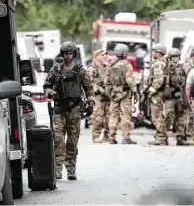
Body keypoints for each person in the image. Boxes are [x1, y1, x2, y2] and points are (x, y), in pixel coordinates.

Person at [43, 41, 95, 180]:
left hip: (75, 109)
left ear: (74, 54)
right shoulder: (55, 70)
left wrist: (91, 102)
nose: (68, 56)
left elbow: (89, 88)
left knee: (72, 139)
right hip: (59, 109)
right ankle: (58, 168)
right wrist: (51, 93)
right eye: (66, 53)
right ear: (62, 54)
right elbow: (46, 86)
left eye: (70, 53)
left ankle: (71, 168)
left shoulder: (80, 70)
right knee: (58, 139)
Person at [104, 43, 138, 144]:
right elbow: (129, 80)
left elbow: (106, 80)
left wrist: (110, 92)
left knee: (113, 115)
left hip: (114, 94)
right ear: (124, 54)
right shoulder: (127, 64)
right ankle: (126, 137)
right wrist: (135, 91)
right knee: (125, 115)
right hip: (125, 94)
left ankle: (111, 137)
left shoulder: (111, 64)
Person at [163, 48, 188, 145]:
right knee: (169, 116)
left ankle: (180, 137)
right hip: (170, 96)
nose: (175, 59)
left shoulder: (182, 68)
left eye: (176, 57)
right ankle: (163, 136)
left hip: (179, 95)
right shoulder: (167, 68)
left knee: (181, 116)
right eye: (173, 57)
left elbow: (186, 82)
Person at [146, 43, 169, 145]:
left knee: (157, 116)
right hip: (162, 93)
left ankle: (160, 138)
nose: (152, 53)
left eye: (153, 51)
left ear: (158, 53)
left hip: (158, 93)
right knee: (159, 115)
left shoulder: (159, 63)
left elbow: (159, 80)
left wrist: (151, 91)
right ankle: (163, 136)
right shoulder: (164, 62)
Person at [87, 49, 110, 143]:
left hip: (108, 96)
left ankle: (107, 135)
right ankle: (96, 135)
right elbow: (89, 83)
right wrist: (100, 90)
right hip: (98, 97)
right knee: (98, 117)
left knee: (109, 117)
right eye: (102, 55)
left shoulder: (106, 67)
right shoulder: (91, 68)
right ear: (95, 57)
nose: (104, 56)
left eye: (105, 55)